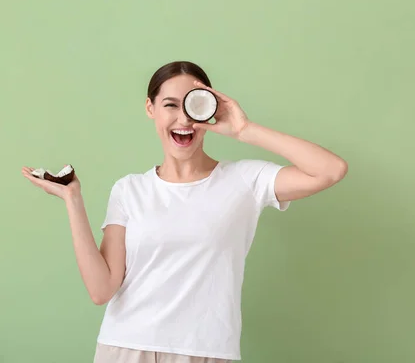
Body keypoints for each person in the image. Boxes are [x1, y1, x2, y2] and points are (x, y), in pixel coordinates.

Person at [21, 61, 348, 363]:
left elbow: (330, 170)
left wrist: (244, 130)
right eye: (170, 105)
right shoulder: (129, 189)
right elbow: (101, 289)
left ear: (210, 110)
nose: (184, 120)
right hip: (124, 348)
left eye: (194, 105)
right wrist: (73, 200)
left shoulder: (244, 180)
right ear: (150, 108)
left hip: (205, 351)